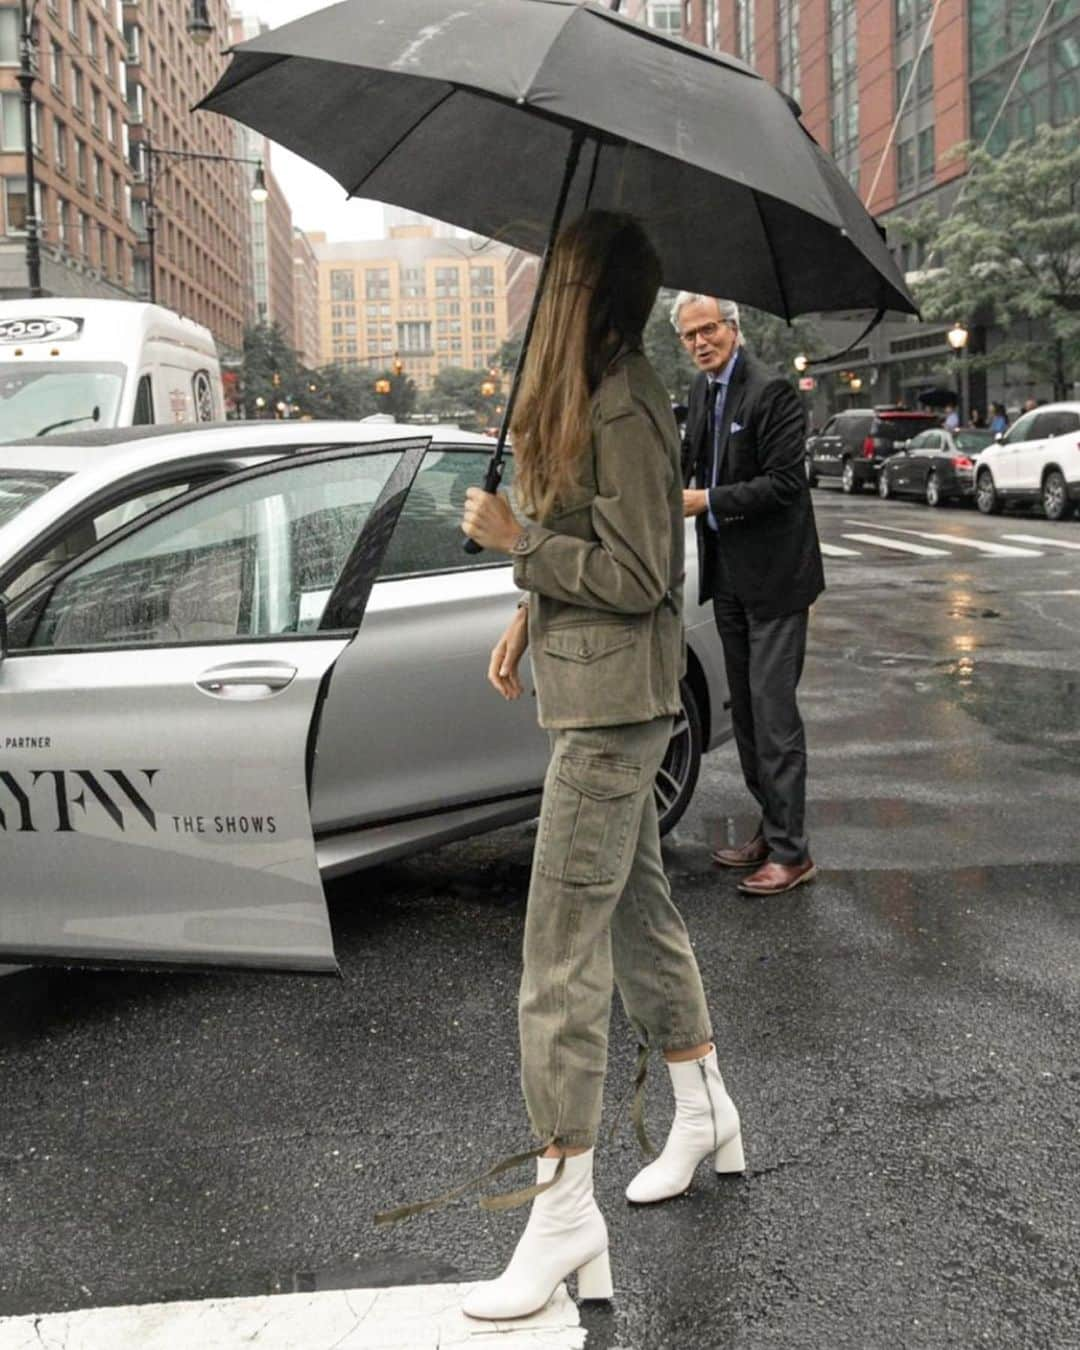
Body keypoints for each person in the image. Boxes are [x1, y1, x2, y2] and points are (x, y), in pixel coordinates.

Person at [456, 212, 744, 1322]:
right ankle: (705, 1102)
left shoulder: (626, 405)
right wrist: (526, 617)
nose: (537, 304)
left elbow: (637, 573)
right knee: (632, 913)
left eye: (556, 284)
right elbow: (585, 545)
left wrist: (514, 542)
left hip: (618, 706)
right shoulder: (589, 391)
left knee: (557, 953)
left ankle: (564, 1209)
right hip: (592, 685)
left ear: (597, 297)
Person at [677, 294, 824, 896]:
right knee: (745, 715)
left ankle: (793, 853)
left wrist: (707, 501)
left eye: (708, 330)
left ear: (733, 329)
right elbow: (689, 467)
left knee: (774, 714)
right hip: (728, 577)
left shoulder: (772, 391)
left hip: (777, 577)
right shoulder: (701, 392)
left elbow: (786, 484)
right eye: (689, 335)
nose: (700, 342)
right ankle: (771, 828)